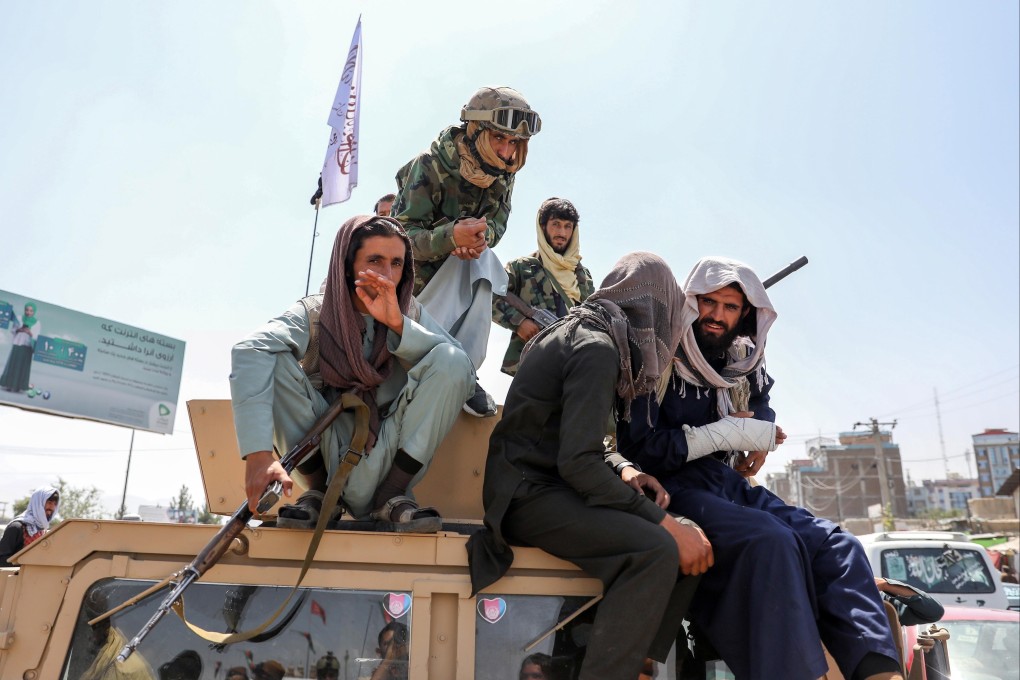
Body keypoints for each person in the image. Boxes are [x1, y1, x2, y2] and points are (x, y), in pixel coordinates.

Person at [617, 256, 903, 680]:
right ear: (691, 303)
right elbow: (639, 447)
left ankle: (881, 673)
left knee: (839, 545)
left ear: (744, 314)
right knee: (771, 541)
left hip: (726, 483)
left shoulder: (740, 359)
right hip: (671, 486)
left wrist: (759, 435)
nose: (716, 316)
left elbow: (759, 405)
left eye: (729, 307)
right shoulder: (657, 355)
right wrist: (725, 433)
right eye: (709, 303)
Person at [468, 253, 713, 680]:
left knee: (685, 533)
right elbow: (579, 463)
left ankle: (639, 661)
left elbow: (588, 441)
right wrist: (665, 524)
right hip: (526, 496)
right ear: (653, 309)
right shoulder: (598, 349)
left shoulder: (584, 330)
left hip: (545, 486)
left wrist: (624, 469)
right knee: (660, 547)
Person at [231, 215, 474, 532]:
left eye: (397, 263)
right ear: (347, 265)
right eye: (375, 260)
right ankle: (317, 496)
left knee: (451, 359)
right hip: (324, 444)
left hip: (390, 447)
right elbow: (250, 350)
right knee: (272, 357)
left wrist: (398, 325)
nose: (387, 275)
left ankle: (392, 496)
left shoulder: (409, 312)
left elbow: (463, 371)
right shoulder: (316, 313)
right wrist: (259, 456)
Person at [392, 86, 541, 417]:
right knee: (482, 262)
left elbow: (497, 225)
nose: (506, 151)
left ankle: (463, 371)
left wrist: (479, 237)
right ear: (476, 130)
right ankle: (433, 359)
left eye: (514, 143)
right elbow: (397, 242)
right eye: (499, 139)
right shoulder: (429, 167)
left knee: (485, 261)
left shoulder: (503, 174)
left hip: (459, 285)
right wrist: (450, 237)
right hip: (412, 298)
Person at [493, 197, 594, 375]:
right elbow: (489, 294)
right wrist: (520, 322)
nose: (561, 232)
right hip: (532, 365)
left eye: (567, 226)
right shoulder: (522, 268)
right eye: (555, 224)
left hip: (574, 368)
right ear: (543, 226)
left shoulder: (583, 276)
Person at [0, 487, 59, 567]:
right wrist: (26, 565)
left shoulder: (43, 531)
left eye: (55, 504)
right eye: (49, 502)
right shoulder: (17, 527)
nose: (52, 507)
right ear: (38, 503)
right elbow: (2, 559)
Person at [1, 301, 40, 392]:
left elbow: (36, 336)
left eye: (31, 311)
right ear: (24, 310)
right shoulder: (19, 318)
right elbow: (13, 330)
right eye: (27, 310)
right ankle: (9, 385)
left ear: (34, 312)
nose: (28, 312)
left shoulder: (37, 323)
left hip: (28, 346)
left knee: (23, 366)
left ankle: (18, 386)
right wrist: (20, 329)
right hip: (17, 343)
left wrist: (29, 332)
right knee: (13, 364)